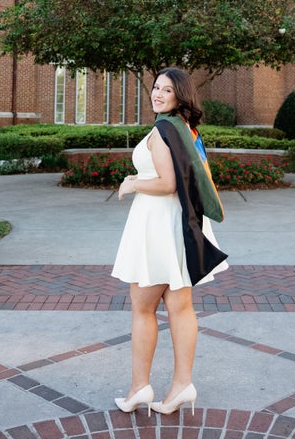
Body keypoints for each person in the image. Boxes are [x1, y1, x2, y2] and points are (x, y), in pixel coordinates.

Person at [111, 67, 228, 416]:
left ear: (180, 96)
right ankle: (181, 386)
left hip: (159, 226)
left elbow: (167, 183)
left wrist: (132, 183)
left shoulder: (164, 129)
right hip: (181, 223)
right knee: (180, 307)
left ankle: (139, 388)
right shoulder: (185, 128)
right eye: (156, 87)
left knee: (143, 308)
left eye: (167, 90)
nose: (158, 94)